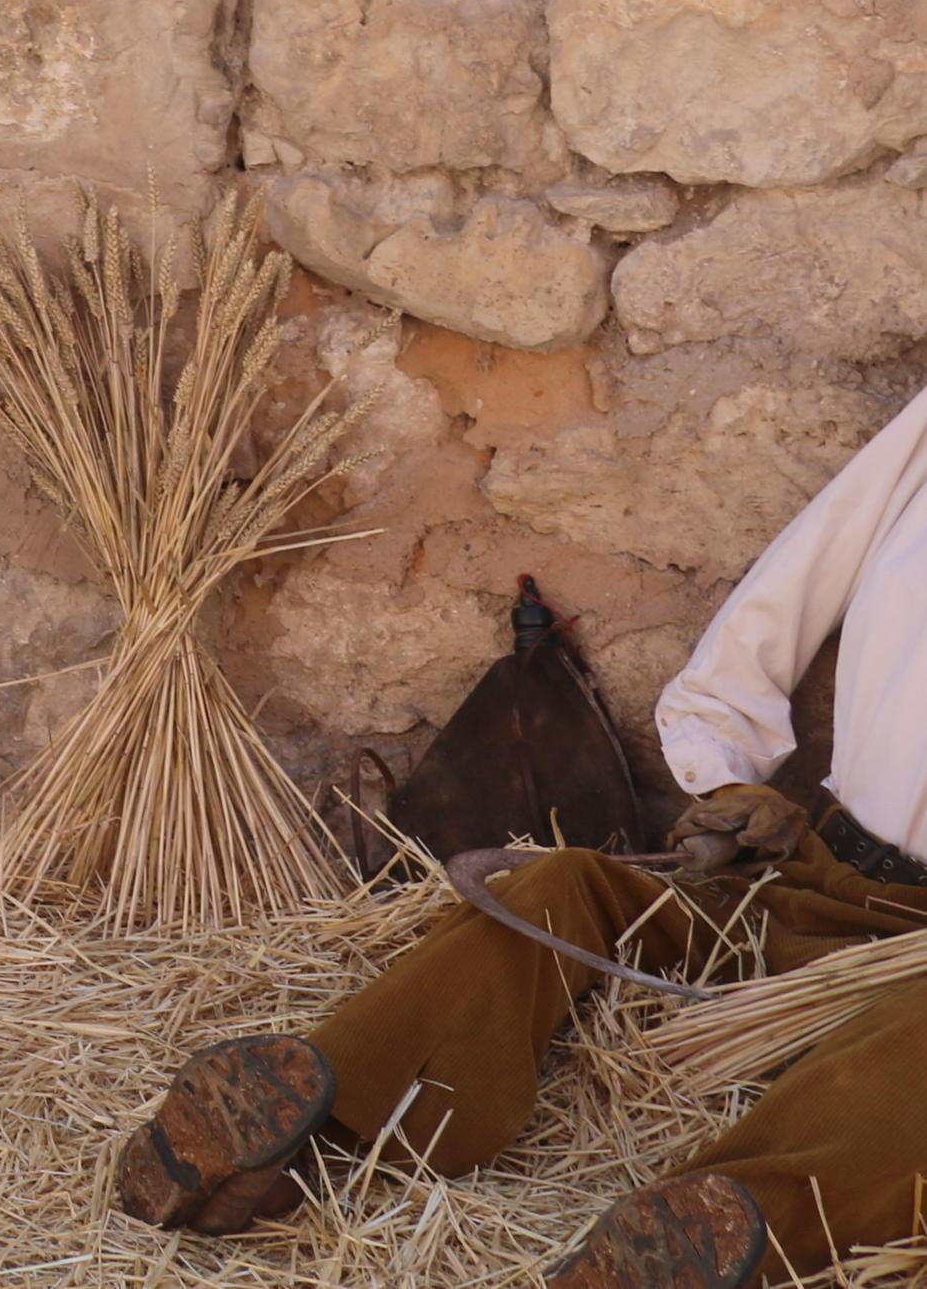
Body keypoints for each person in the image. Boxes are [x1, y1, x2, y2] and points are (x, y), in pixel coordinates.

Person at [114, 390, 927, 1289]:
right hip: (816, 873)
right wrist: (729, 780)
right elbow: (778, 606)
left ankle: (715, 1241)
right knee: (564, 886)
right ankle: (311, 1117)